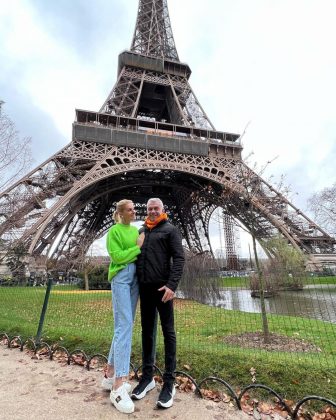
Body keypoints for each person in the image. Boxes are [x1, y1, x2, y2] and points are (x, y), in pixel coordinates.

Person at [131, 198, 185, 409]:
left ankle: (169, 382)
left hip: (163, 290)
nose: (152, 211)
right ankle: (148, 377)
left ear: (163, 209)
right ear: (146, 210)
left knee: (168, 332)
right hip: (145, 289)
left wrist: (172, 285)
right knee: (147, 332)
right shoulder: (142, 231)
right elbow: (136, 257)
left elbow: (179, 258)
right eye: (149, 208)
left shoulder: (170, 229)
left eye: (156, 208)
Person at [101, 199, 144, 414]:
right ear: (120, 213)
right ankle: (119, 384)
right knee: (125, 325)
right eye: (130, 209)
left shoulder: (136, 231)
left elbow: (138, 256)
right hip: (120, 277)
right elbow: (116, 257)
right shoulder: (114, 232)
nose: (134, 211)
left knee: (124, 325)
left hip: (135, 278)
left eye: (134, 209)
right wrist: (136, 249)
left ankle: (109, 373)